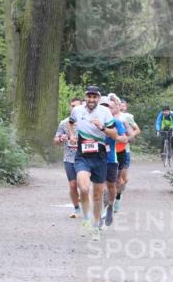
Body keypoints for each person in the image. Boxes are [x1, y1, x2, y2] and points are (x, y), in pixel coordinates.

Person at [67, 86, 120, 240]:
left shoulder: (105, 112)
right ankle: (86, 219)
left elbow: (115, 134)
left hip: (100, 157)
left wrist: (102, 127)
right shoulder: (77, 111)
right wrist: (71, 135)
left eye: (94, 97)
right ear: (85, 97)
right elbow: (70, 123)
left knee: (97, 195)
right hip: (82, 155)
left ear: (98, 98)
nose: (91, 100)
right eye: (89, 97)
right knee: (83, 188)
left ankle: (96, 226)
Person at [97, 98, 128, 228]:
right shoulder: (92, 122)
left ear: (111, 110)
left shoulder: (116, 122)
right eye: (102, 106)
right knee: (99, 187)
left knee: (111, 186)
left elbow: (125, 138)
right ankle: (98, 215)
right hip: (95, 158)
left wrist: (114, 136)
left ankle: (110, 206)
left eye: (108, 107)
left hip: (111, 158)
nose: (105, 109)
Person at [53, 96, 83, 218]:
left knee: (83, 183)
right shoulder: (64, 123)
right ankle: (76, 209)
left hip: (84, 158)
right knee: (72, 185)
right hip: (69, 158)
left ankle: (84, 196)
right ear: (70, 107)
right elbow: (55, 140)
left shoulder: (86, 121)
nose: (75, 108)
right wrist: (61, 139)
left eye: (77, 106)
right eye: (73, 106)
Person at [109, 94, 139, 212]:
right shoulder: (103, 117)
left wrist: (126, 137)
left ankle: (117, 198)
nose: (111, 108)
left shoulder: (125, 118)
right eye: (109, 105)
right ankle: (107, 201)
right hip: (108, 152)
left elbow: (133, 133)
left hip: (123, 151)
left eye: (114, 105)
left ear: (118, 106)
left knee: (121, 179)